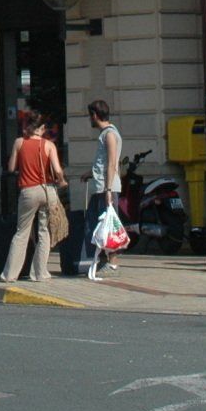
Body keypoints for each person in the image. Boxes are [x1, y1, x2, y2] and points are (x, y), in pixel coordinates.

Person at [0, 111, 62, 283]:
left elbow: (11, 168)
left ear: (28, 126)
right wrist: (62, 181)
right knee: (44, 231)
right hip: (47, 191)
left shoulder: (19, 143)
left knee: (22, 232)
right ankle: (39, 273)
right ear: (41, 128)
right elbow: (57, 170)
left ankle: (10, 274)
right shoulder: (49, 145)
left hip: (28, 191)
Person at [80, 99, 122, 280]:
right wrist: (90, 173)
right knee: (95, 226)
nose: (89, 119)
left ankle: (112, 263)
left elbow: (112, 163)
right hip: (101, 186)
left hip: (107, 188)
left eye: (90, 115)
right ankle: (102, 260)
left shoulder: (110, 134)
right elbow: (103, 162)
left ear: (95, 115)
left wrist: (108, 190)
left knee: (108, 226)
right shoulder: (105, 134)